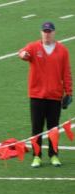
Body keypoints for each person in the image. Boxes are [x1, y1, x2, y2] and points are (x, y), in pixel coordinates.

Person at [18, 21, 72, 168]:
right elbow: (23, 53)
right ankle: (37, 156)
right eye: (45, 31)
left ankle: (54, 155)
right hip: (36, 95)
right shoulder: (34, 47)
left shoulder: (62, 50)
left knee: (53, 129)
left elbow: (66, 72)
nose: (47, 34)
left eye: (49, 31)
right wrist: (23, 54)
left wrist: (69, 92)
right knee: (37, 128)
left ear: (54, 33)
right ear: (41, 33)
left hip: (55, 96)